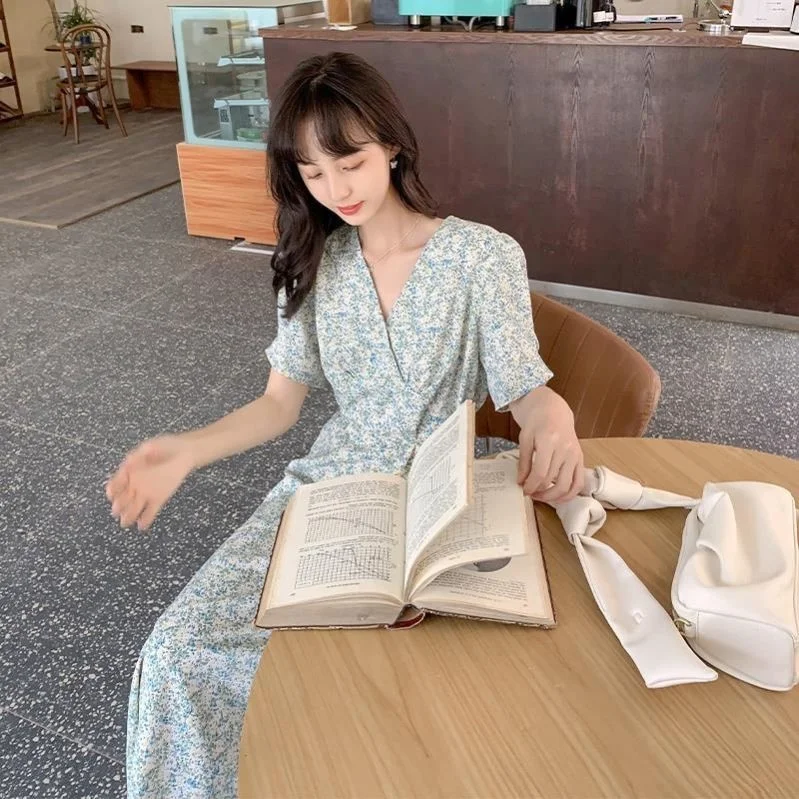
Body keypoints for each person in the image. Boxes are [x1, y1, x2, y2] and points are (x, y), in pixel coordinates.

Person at [105, 51, 585, 799]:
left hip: (444, 487)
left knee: (400, 677)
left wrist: (553, 413)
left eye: (351, 162)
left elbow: (523, 384)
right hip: (333, 487)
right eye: (312, 172)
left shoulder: (481, 256)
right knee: (180, 647)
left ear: (391, 144)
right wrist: (188, 450)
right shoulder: (311, 263)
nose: (336, 190)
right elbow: (279, 404)